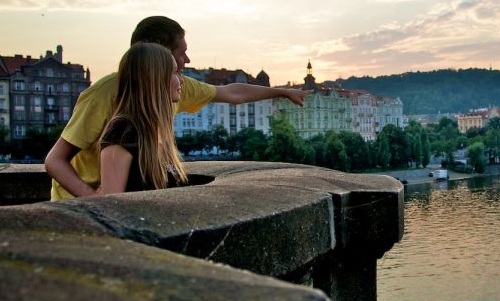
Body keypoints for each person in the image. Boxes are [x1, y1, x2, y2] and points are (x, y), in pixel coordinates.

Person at [46, 16, 307, 200]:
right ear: (155, 62)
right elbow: (56, 160)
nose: (187, 61)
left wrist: (282, 91)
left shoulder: (174, 88)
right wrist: (90, 197)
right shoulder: (107, 98)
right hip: (80, 211)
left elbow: (232, 92)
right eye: (179, 55)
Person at [98, 42, 187, 193]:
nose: (181, 80)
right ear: (155, 78)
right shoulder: (122, 131)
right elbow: (111, 204)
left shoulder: (153, 129)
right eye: (174, 72)